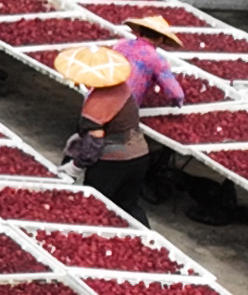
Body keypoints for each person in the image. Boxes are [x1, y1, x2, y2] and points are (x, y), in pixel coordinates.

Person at [54, 37, 194, 217]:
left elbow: (94, 143)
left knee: (95, 208)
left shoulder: (96, 103)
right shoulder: (123, 89)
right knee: (128, 207)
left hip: (113, 162)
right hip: (140, 156)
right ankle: (146, 241)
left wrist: (76, 166)